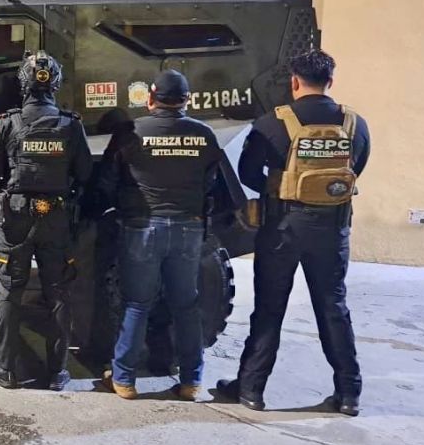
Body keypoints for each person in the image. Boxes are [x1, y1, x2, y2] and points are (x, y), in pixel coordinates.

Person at [217, 49, 370, 416]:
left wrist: (280, 188)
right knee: (333, 308)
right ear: (330, 81)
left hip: (282, 228)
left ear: (294, 82)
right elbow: (356, 168)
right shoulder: (354, 123)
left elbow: (248, 172)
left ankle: (251, 390)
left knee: (269, 309)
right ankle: (348, 394)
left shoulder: (273, 122)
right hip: (333, 229)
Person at [98, 69, 222, 401]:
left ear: (151, 98)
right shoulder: (204, 134)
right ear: (186, 100)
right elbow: (211, 183)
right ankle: (191, 381)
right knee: (186, 305)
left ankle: (124, 379)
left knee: (137, 303)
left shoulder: (130, 132)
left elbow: (108, 180)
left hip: (142, 228)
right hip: (188, 228)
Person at [0, 51, 92, 390]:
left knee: (9, 291)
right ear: (55, 83)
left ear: (22, 84)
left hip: (15, 216)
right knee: (57, 292)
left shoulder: (7, 122)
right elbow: (85, 173)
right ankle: (57, 373)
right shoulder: (71, 124)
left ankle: (6, 370)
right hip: (56, 217)